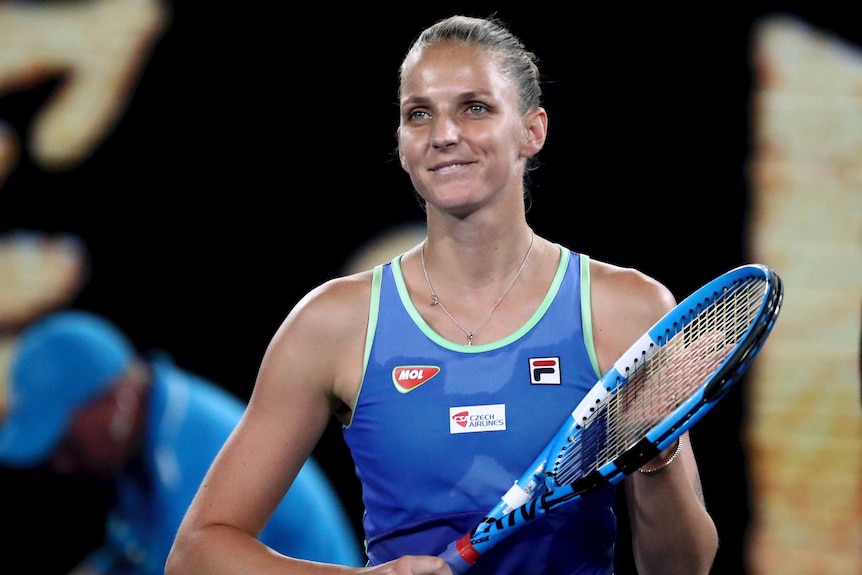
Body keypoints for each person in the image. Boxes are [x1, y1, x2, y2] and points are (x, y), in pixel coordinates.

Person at [166, 14, 719, 575]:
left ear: (533, 130)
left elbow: (682, 569)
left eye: (474, 108)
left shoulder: (627, 310)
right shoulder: (331, 323)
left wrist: (656, 455)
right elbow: (196, 553)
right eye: (419, 114)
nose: (444, 134)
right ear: (403, 144)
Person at [0, 310, 365, 574]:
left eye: (66, 444)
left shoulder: (192, 461)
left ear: (114, 402)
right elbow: (132, 551)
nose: (61, 465)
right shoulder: (157, 427)